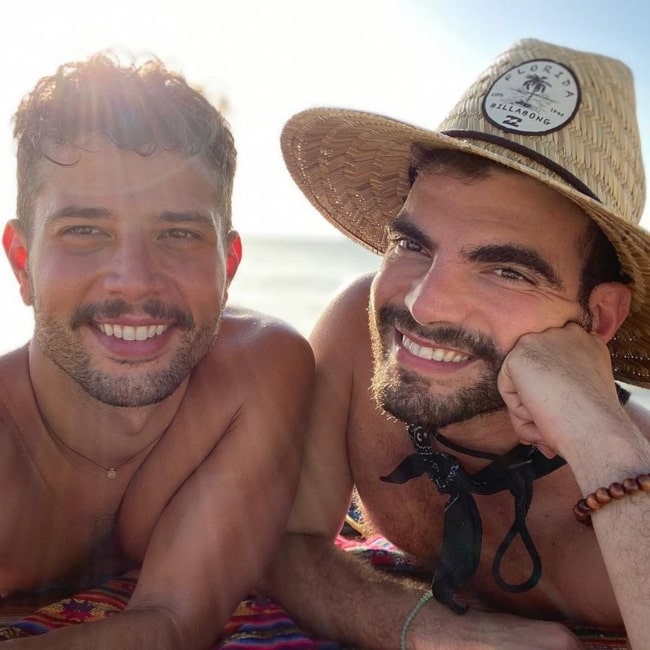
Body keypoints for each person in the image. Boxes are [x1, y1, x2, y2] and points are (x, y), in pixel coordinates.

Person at [260, 39, 650, 649]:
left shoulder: (635, 469)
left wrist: (596, 430)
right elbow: (289, 543)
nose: (423, 305)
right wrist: (430, 631)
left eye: (507, 271)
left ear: (599, 317)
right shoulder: (357, 333)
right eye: (414, 246)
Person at [0, 53, 313, 648]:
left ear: (228, 265)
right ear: (22, 262)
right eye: (85, 230)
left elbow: (173, 620)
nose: (134, 280)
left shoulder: (257, 373)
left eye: (178, 234)